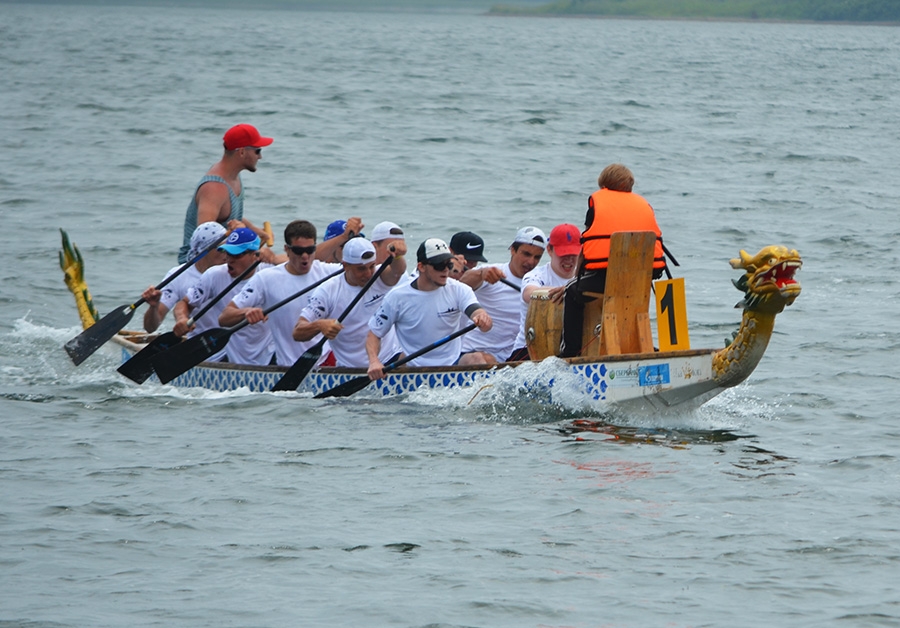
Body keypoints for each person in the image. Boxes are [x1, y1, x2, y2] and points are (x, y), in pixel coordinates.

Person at [559, 163, 667, 358]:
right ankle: (645, 347)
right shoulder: (644, 206)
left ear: (603, 186)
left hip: (605, 278)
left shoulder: (597, 204)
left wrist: (575, 278)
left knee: (571, 291)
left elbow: (586, 247)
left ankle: (571, 352)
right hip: (641, 281)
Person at [219, 220, 343, 366]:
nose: (305, 256)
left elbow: (366, 271)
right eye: (298, 251)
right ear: (287, 250)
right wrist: (245, 312)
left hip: (325, 360)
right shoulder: (266, 278)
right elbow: (224, 318)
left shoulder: (329, 272)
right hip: (288, 365)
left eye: (310, 250)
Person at [366, 238, 493, 379]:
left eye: (448, 265)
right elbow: (374, 334)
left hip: (452, 362)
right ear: (421, 267)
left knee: (478, 359)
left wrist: (483, 318)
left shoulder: (460, 290)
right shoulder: (397, 297)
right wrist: (374, 362)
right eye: (439, 265)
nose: (445, 270)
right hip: (412, 366)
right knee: (401, 358)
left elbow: (477, 312)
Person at [293, 238, 406, 367]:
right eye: (361, 269)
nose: (369, 274)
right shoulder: (328, 291)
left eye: (371, 266)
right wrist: (319, 325)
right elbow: (297, 332)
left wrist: (398, 256)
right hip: (349, 369)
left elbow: (398, 271)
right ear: (345, 266)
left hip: (390, 359)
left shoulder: (380, 277)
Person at [173, 227, 273, 364]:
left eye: (236, 255)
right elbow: (184, 303)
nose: (228, 260)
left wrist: (275, 257)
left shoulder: (270, 275)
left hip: (269, 353)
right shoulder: (214, 275)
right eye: (227, 253)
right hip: (230, 355)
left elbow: (302, 261)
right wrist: (182, 318)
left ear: (255, 256)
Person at [178, 124, 273, 263]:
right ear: (241, 152)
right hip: (196, 266)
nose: (260, 157)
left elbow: (227, 216)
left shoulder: (232, 176)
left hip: (224, 259)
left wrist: (255, 230)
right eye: (257, 151)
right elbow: (205, 241)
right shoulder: (214, 188)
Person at [457, 226, 546, 364]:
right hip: (472, 353)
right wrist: (481, 274)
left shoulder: (540, 281)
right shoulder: (493, 272)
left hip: (512, 357)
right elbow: (461, 286)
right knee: (481, 359)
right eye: (526, 254)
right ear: (513, 250)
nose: (531, 262)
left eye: (537, 257)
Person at [508, 223, 581, 361]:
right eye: (563, 254)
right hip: (528, 349)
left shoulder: (583, 278)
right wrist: (569, 292)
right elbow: (529, 293)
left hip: (570, 349)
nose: (569, 260)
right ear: (550, 250)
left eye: (573, 254)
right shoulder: (537, 275)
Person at [142, 222, 227, 333]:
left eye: (229, 245)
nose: (227, 251)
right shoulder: (179, 276)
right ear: (203, 250)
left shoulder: (233, 269)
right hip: (200, 343)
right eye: (221, 248)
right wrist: (153, 307)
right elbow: (151, 328)